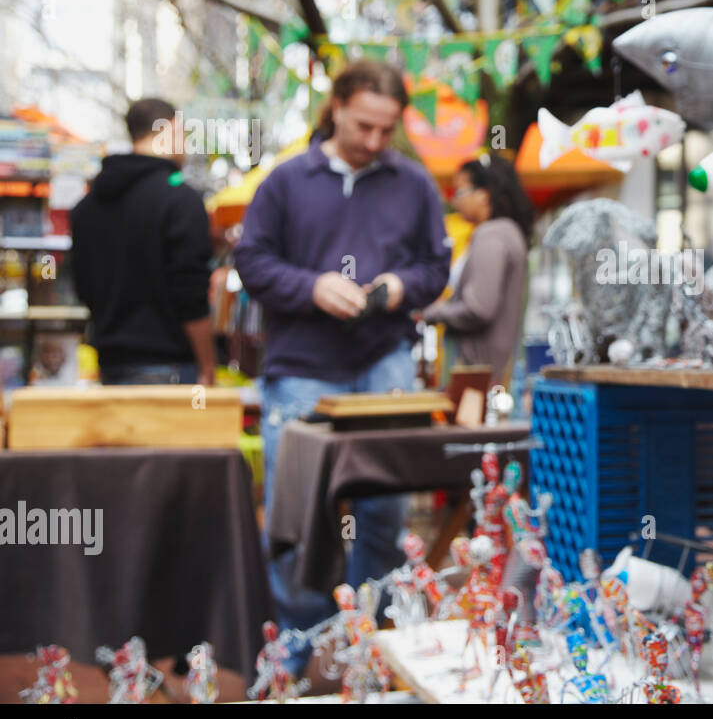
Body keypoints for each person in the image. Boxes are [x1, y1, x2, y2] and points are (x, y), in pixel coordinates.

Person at [234, 60, 451, 671]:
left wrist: (396, 287)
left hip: (384, 360)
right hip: (301, 364)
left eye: (387, 129)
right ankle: (295, 653)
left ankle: (371, 645)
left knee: (383, 510)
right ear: (335, 106)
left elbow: (436, 267)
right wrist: (312, 288)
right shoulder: (284, 181)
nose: (376, 141)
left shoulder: (414, 184)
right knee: (297, 510)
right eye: (364, 126)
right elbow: (251, 262)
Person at [70, 98, 216, 385]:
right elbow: (191, 294)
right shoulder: (181, 201)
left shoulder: (86, 208)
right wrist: (207, 366)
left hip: (110, 370)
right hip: (172, 372)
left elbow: (83, 287)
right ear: (170, 129)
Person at [420, 153, 532, 387]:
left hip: (476, 376)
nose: (455, 200)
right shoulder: (507, 232)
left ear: (483, 195)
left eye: (460, 192)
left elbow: (479, 308)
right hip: (493, 373)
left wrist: (434, 312)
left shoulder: (491, 235)